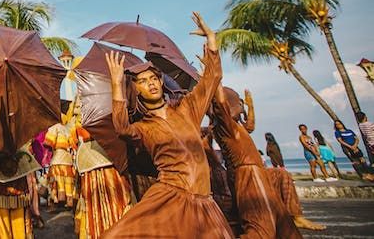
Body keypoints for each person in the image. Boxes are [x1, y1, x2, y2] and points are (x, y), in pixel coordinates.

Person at [102, 12, 233, 239]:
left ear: (161, 82)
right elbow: (122, 128)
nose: (150, 84)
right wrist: (116, 85)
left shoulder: (187, 109)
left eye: (153, 78)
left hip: (204, 201)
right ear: (137, 90)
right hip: (171, 195)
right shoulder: (143, 127)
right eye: (142, 82)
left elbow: (211, 80)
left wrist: (211, 39)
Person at [210, 86, 302, 238]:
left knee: (280, 215)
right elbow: (220, 105)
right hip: (248, 173)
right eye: (239, 104)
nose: (242, 107)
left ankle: (296, 217)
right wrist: (215, 78)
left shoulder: (236, 127)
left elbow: (250, 125)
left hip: (256, 171)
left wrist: (251, 106)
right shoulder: (225, 127)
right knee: (260, 223)